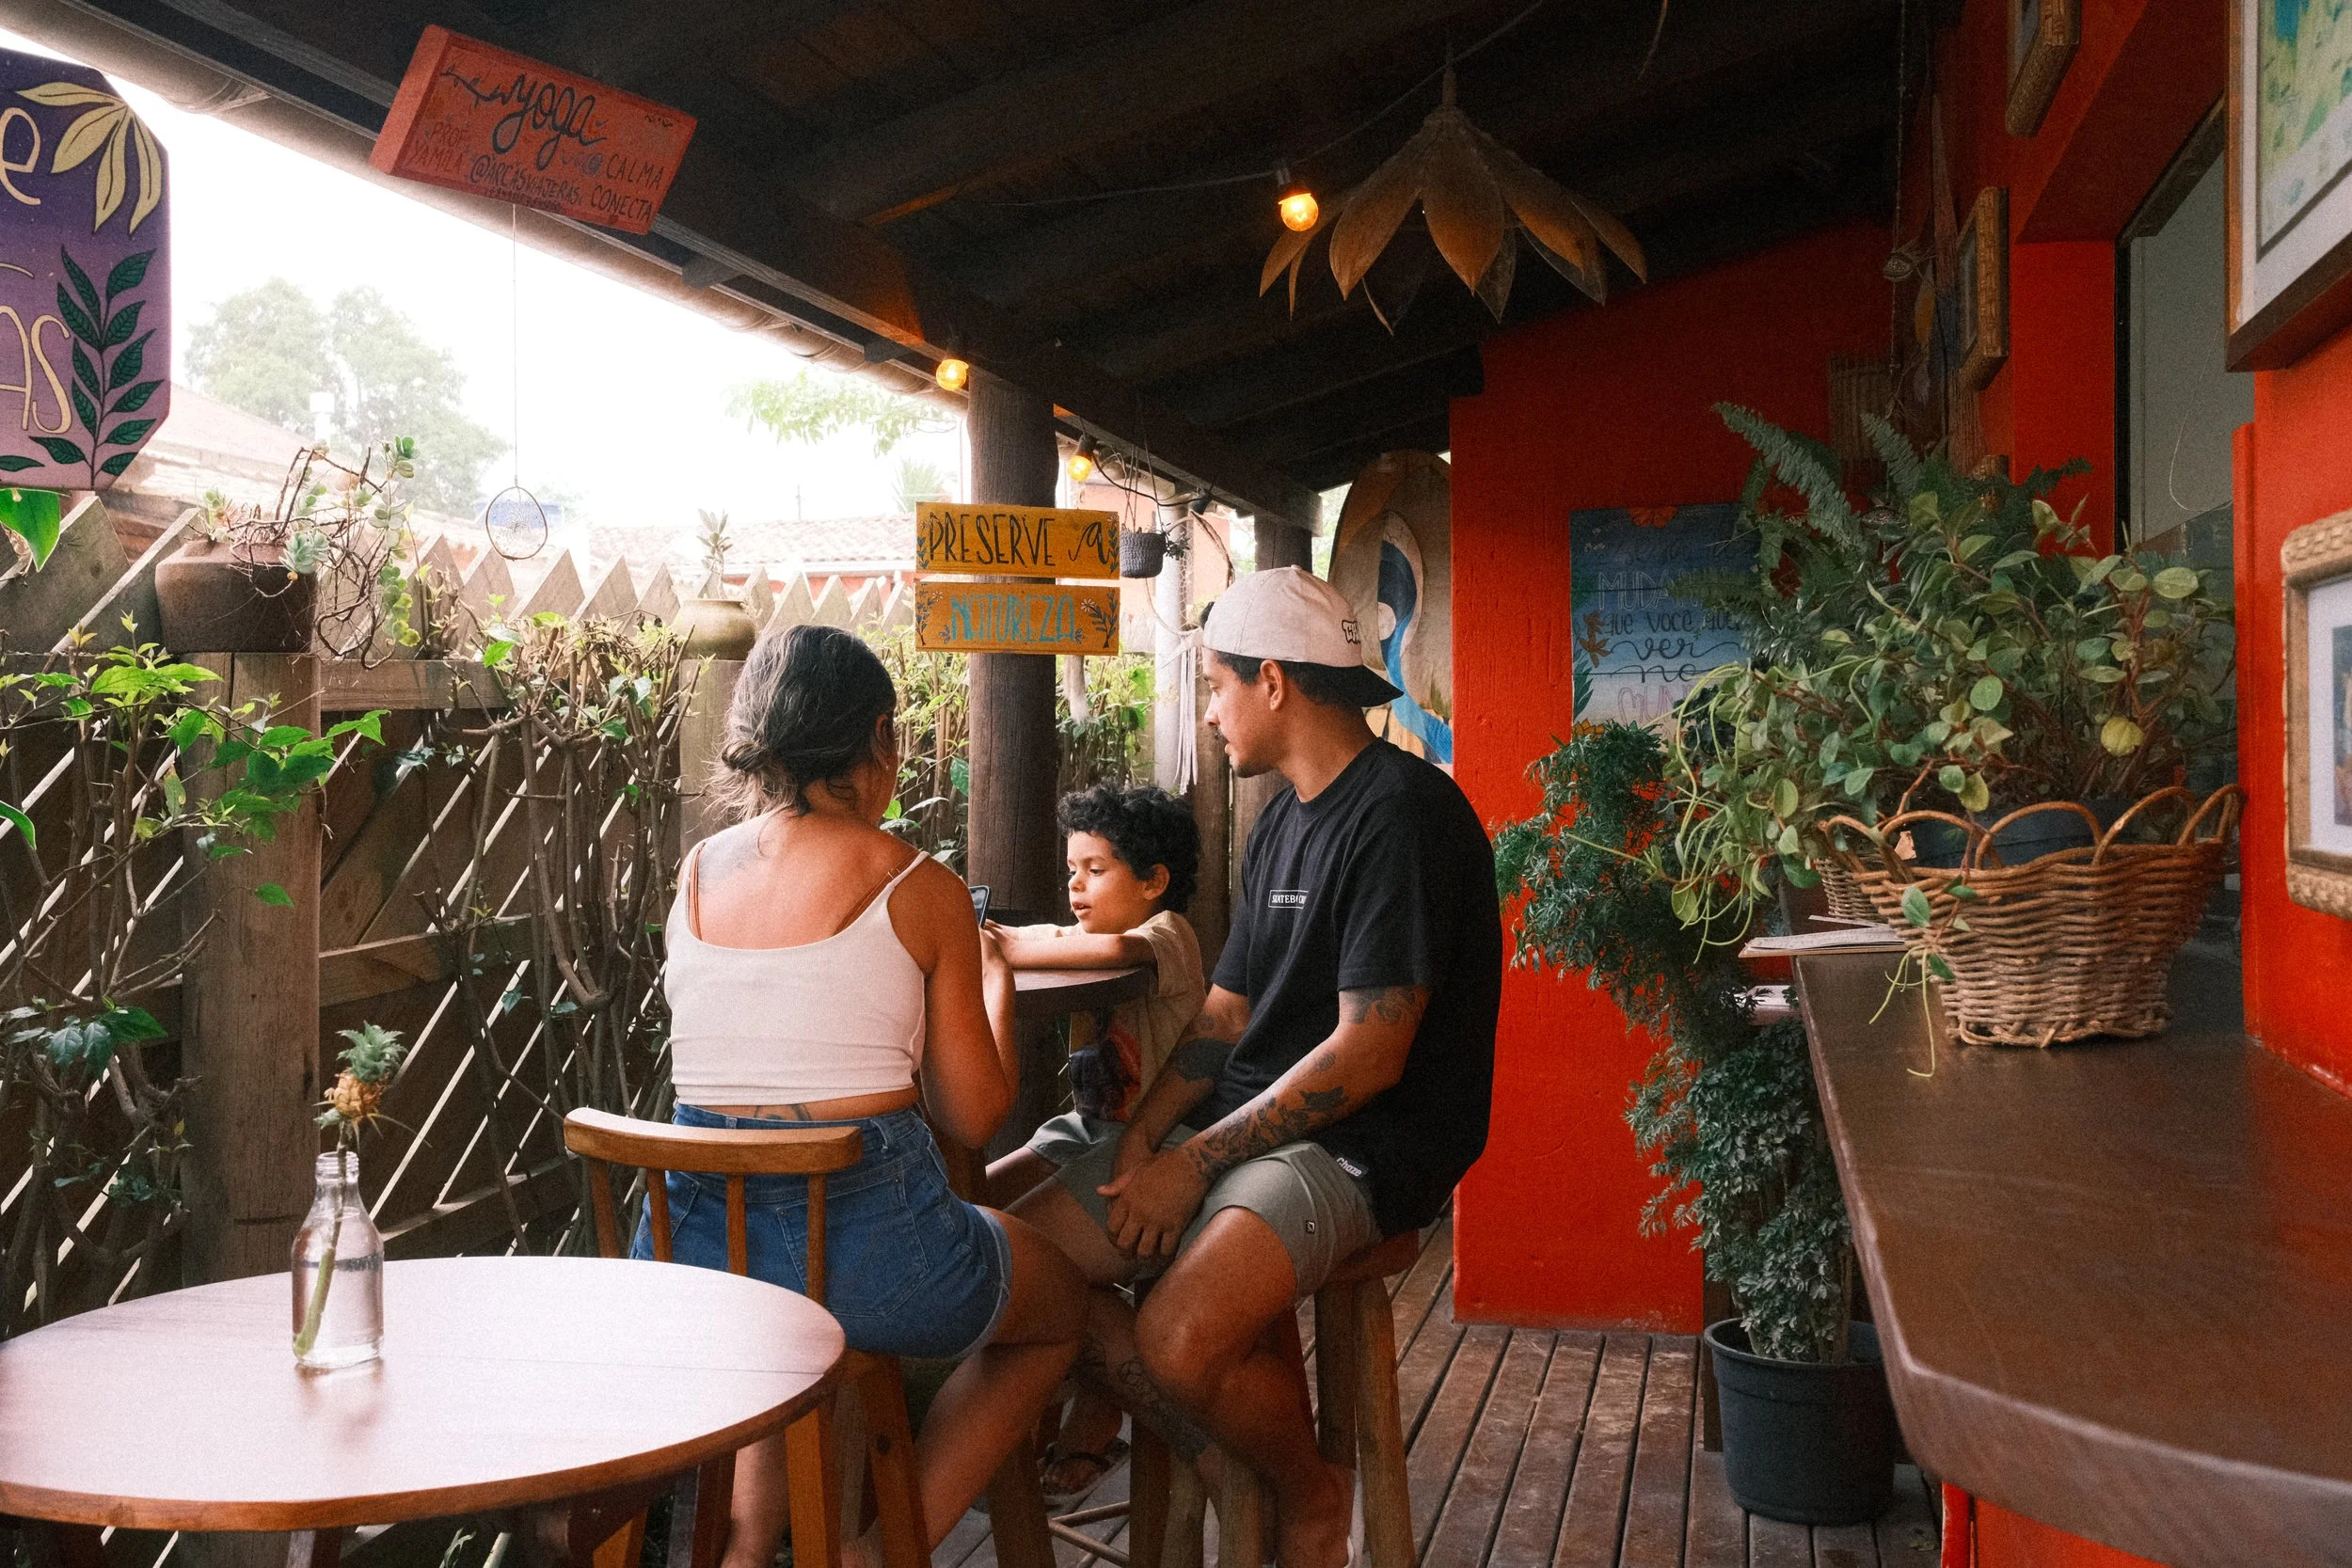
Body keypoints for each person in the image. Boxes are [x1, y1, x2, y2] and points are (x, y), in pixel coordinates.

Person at [1012, 566, 1503, 1568]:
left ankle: (1308, 1494)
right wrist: (1145, 1135)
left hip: (1371, 1140)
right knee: (1020, 1266)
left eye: (1216, 684)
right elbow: (1228, 1010)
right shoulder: (1281, 817)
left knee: (1176, 1338)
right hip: (1258, 1127)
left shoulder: (1403, 815)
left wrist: (1188, 1166)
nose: (1207, 711)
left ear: (1272, 681)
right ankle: (1225, 1448)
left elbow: (1369, 1055)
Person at [647, 624, 1085, 1568]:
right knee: (1057, 1307)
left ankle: (749, 1545)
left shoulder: (692, 874)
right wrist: (995, 982)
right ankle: (885, 1547)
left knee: (774, 1295)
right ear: (881, 736)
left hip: (695, 1260)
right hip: (870, 1256)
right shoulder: (915, 882)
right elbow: (973, 1114)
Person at [983, 782, 1207, 1498]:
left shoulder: (1169, 933)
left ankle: (1136, 1412)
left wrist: (999, 945)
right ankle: (1072, 1397)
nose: (1076, 885)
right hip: (1087, 1131)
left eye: (1096, 870)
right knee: (971, 1207)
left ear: (1154, 881)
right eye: (1071, 869)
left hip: (1161, 1139)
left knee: (1007, 1256)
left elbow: (1107, 946)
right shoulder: (1090, 934)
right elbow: (1070, 943)